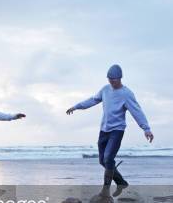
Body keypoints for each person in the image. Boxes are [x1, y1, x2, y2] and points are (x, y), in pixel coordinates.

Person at [66, 64, 154, 194]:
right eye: (109, 79)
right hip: (104, 129)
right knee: (103, 161)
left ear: (120, 78)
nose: (111, 82)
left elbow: (137, 111)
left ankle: (105, 189)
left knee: (108, 158)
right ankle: (121, 183)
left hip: (117, 131)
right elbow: (93, 100)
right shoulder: (105, 90)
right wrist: (76, 106)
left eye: (114, 79)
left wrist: (146, 128)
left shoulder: (126, 94)